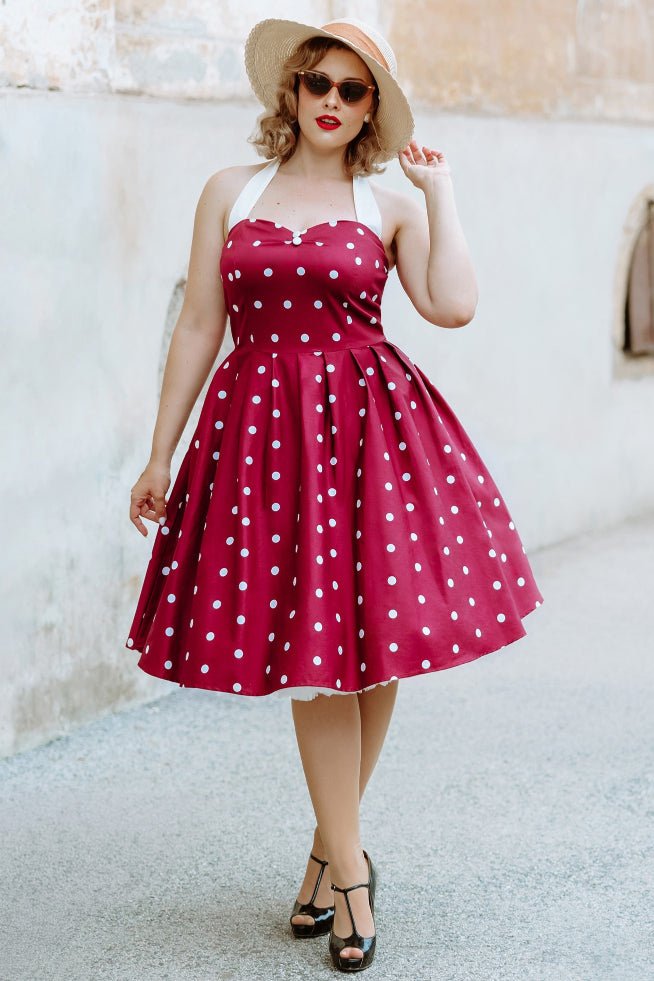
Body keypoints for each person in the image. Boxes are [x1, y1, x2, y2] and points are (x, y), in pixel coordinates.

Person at [125, 16, 544, 972]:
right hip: (261, 437)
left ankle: (334, 856)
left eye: (353, 91)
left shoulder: (387, 201)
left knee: (369, 640)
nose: (331, 101)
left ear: (372, 111)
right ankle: (349, 861)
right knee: (314, 652)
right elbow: (199, 322)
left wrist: (442, 195)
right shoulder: (230, 193)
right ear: (291, 93)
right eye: (317, 83)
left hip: (368, 434)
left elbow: (454, 304)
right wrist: (160, 452)